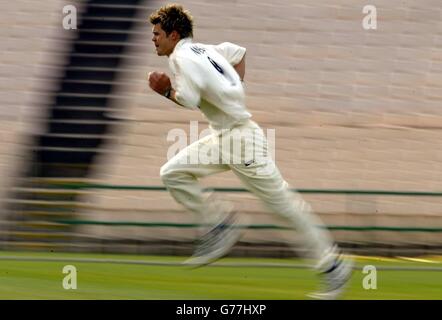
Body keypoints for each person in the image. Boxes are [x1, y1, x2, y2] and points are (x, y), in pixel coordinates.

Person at [147, 4, 353, 299]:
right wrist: (234, 87)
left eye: (157, 34)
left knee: (283, 206)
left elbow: (190, 101)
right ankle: (220, 223)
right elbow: (239, 52)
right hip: (225, 136)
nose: (153, 39)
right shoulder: (204, 50)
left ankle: (332, 266)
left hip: (241, 140)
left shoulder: (181, 58)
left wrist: (166, 91)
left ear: (174, 34)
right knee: (172, 173)